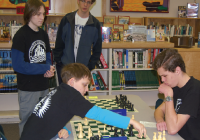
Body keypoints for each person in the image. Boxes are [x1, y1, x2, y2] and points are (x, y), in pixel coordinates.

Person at [20, 63, 146, 140]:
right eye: (85, 85)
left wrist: (62, 127)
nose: (86, 90)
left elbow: (51, 114)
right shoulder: (72, 96)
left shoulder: (59, 90)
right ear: (72, 81)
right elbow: (99, 114)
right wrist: (131, 122)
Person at [11, 0, 55, 135]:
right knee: (27, 123)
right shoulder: (20, 35)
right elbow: (18, 66)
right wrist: (44, 68)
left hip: (43, 86)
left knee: (43, 121)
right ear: (29, 14)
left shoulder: (43, 34)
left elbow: (47, 58)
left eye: (43, 14)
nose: (42, 17)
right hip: (28, 89)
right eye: (38, 14)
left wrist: (49, 70)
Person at [153, 48, 200, 140]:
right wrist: (160, 120)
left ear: (177, 70)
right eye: (160, 76)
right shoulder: (175, 86)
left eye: (165, 76)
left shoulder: (195, 90)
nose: (162, 80)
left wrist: (168, 95)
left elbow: (172, 129)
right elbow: (159, 110)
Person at [53, 0, 102, 84]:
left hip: (83, 69)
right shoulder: (67, 19)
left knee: (80, 96)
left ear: (92, 4)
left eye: (88, 2)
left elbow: (97, 49)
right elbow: (59, 43)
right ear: (78, 1)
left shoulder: (95, 24)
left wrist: (90, 65)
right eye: (83, 1)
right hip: (66, 67)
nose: (85, 4)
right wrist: (59, 61)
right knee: (65, 95)